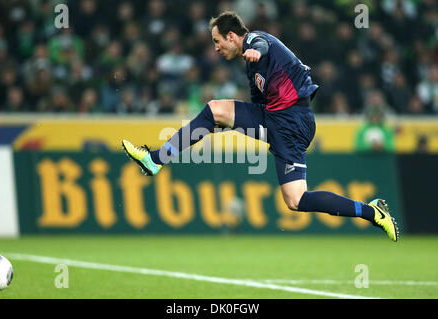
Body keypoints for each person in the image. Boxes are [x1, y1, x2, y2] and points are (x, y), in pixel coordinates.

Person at [122, 11, 399, 242]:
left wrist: (255, 51)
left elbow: (262, 44)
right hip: (273, 117)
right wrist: (220, 125)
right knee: (214, 111)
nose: (216, 48)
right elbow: (256, 105)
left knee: (296, 200)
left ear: (232, 36)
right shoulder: (251, 69)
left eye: (218, 41)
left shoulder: (257, 40)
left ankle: (371, 212)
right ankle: (155, 160)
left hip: (293, 121)